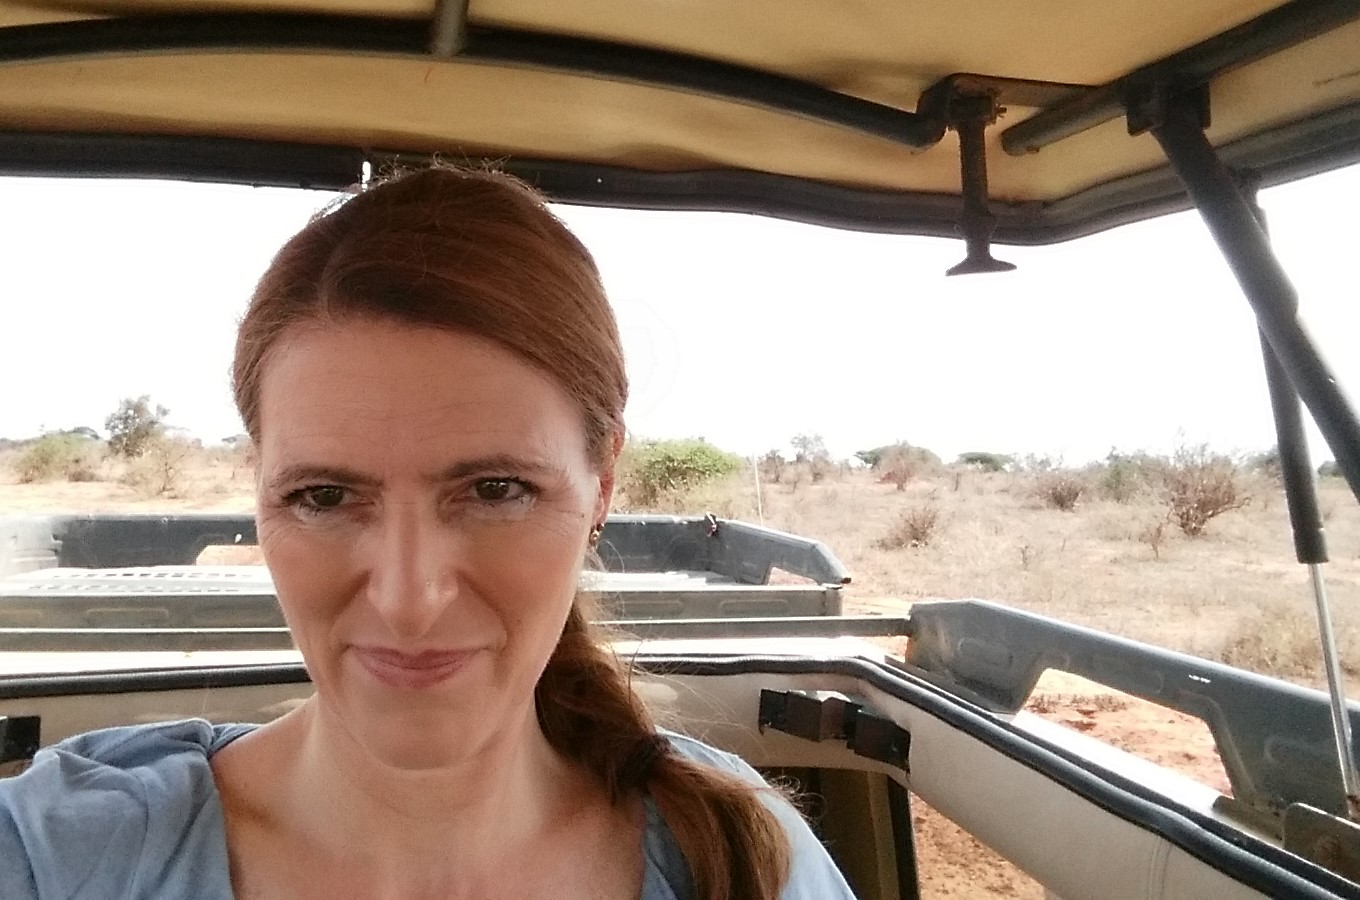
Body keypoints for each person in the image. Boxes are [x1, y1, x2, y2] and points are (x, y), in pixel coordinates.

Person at [0, 167, 857, 899]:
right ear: (259, 487)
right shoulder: (59, 856)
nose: (410, 601)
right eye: (325, 496)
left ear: (602, 483)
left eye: (496, 490)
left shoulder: (745, 860)